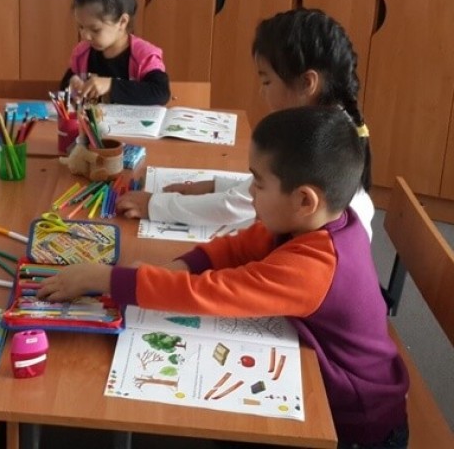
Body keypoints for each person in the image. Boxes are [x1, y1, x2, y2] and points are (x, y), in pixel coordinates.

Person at [39, 106, 409, 449]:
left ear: (304, 200)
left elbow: (211, 293)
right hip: (339, 386)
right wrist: (180, 267)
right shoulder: (313, 222)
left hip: (357, 424)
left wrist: (106, 279)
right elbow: (238, 247)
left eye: (258, 184)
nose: (250, 193)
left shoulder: (316, 266)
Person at [116, 8, 375, 238]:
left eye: (267, 81)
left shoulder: (316, 145)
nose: (262, 92)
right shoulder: (325, 127)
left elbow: (235, 206)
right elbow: (259, 188)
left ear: (307, 83)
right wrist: (215, 184)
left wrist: (153, 205)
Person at [60, 0, 171, 105]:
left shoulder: (143, 56)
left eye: (95, 29)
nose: (85, 36)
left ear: (122, 22)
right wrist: (72, 84)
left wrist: (111, 86)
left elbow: (161, 93)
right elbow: (64, 87)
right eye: (81, 27)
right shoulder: (82, 54)